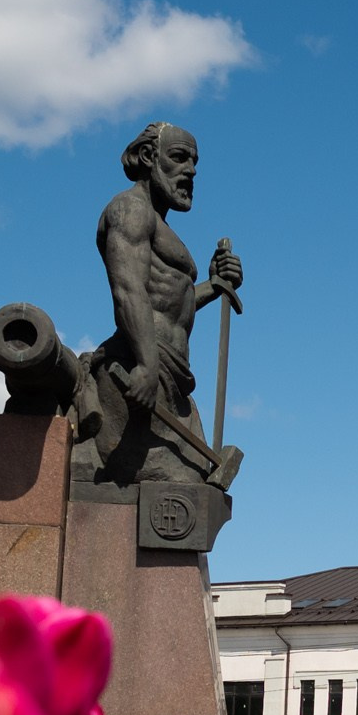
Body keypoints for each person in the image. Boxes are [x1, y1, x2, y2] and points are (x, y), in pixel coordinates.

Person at [86, 121, 243, 488]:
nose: (190, 171)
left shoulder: (159, 225)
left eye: (194, 163)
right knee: (185, 488)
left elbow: (171, 302)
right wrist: (145, 364)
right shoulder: (130, 209)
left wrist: (215, 285)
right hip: (140, 373)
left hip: (170, 380)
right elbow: (128, 289)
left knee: (201, 486)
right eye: (179, 158)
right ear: (147, 157)